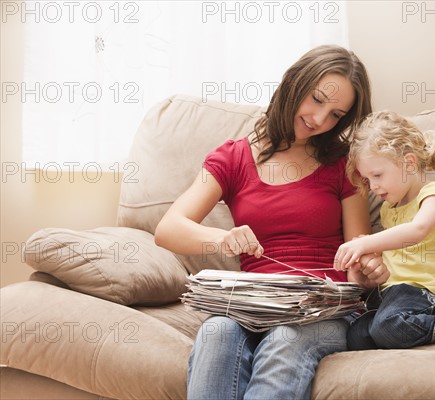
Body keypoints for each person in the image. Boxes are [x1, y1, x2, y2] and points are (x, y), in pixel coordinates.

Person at [154, 45, 389, 400]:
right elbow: (168, 229)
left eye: (336, 114)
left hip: (320, 309)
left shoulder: (345, 164)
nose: (320, 120)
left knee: (285, 339)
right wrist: (222, 239)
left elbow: (357, 257)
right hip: (250, 304)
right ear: (295, 82)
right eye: (316, 99)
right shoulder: (232, 157)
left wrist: (365, 271)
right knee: (217, 333)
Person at [333, 110, 435, 350]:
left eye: (377, 175)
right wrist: (369, 268)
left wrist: (365, 243)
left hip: (426, 293)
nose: (373, 186)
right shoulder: (389, 208)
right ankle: (406, 325)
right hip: (394, 294)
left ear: (409, 163)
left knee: (387, 327)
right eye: (367, 179)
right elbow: (397, 263)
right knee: (355, 337)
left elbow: (417, 229)